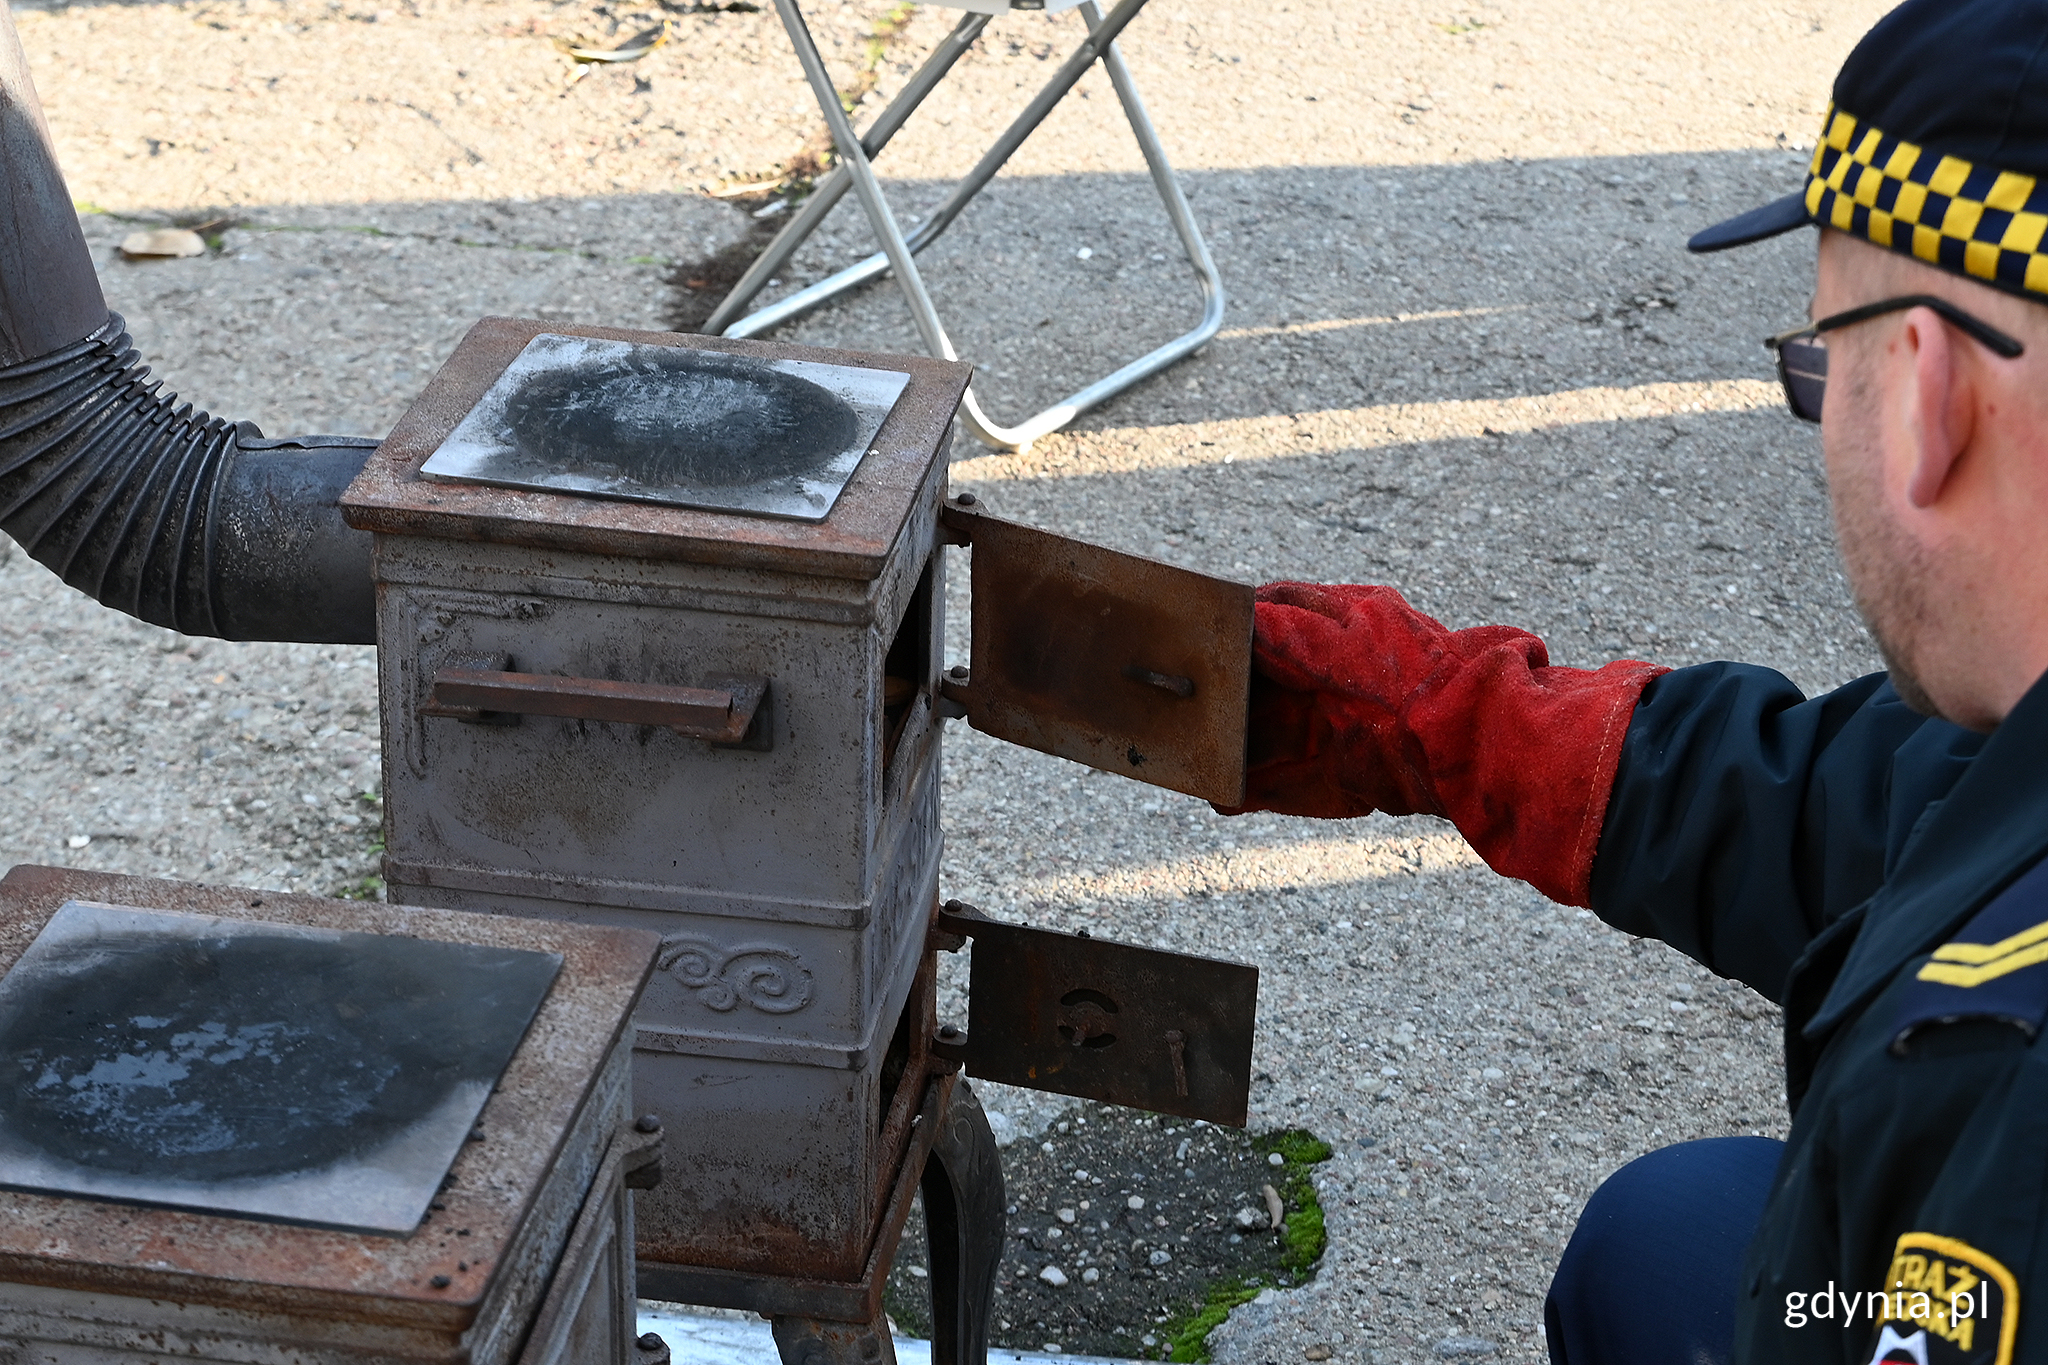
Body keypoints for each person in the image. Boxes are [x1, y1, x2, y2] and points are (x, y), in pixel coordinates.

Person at [1221, 1, 2048, 1361]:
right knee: (1671, 1238)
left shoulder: (2006, 1076)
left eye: (1818, 361)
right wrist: (1454, 725)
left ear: (1928, 391)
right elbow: (1895, 811)